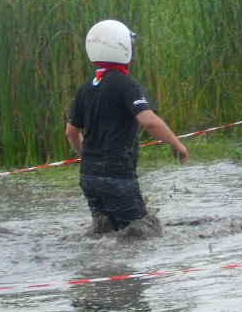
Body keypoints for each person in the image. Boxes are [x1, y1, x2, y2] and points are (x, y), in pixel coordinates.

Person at [65, 19, 188, 237]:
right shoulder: (127, 85)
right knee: (144, 235)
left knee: (104, 233)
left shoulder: (85, 88)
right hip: (117, 176)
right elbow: (149, 121)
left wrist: (88, 158)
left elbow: (71, 132)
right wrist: (175, 142)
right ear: (122, 47)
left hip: (88, 177)